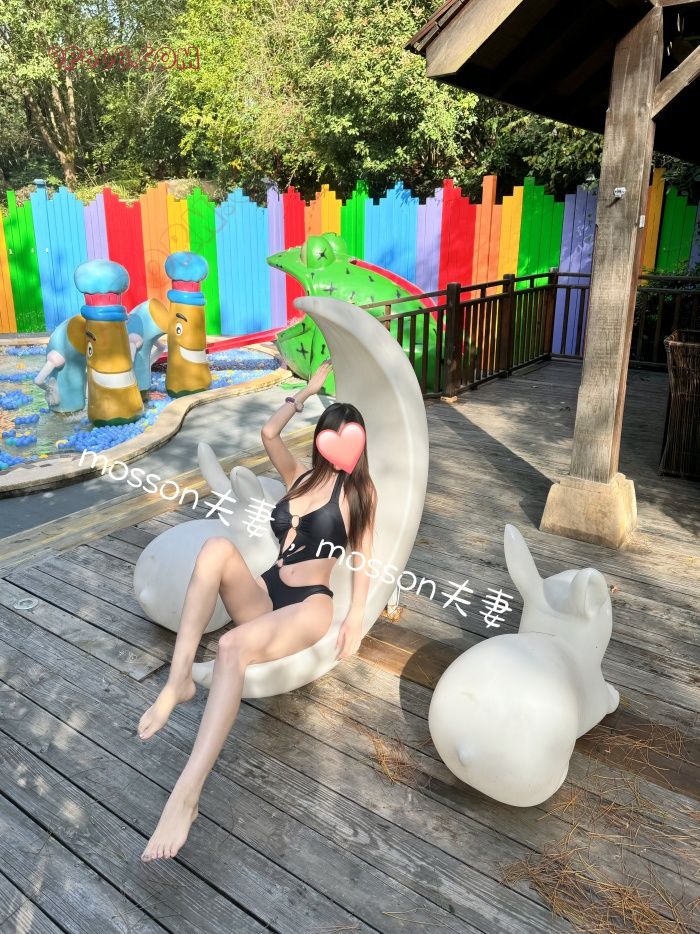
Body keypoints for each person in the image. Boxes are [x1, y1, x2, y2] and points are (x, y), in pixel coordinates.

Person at [138, 359, 377, 861]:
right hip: (267, 590)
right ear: (321, 440)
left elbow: (364, 558)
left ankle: (186, 796)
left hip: (309, 605)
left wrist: (356, 615)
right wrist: (305, 392)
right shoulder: (300, 477)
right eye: (330, 437)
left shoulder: (359, 492)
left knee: (230, 645)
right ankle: (178, 680)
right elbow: (269, 433)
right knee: (214, 550)